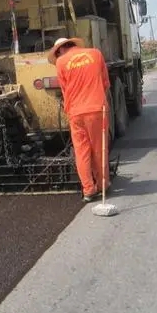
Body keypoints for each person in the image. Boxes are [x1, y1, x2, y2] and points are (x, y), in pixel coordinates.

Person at [48, 37, 111, 202]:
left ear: (60, 50)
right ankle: (102, 185)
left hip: (76, 113)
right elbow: (105, 83)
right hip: (97, 109)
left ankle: (89, 190)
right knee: (99, 149)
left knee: (81, 152)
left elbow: (64, 90)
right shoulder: (95, 54)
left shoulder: (61, 63)